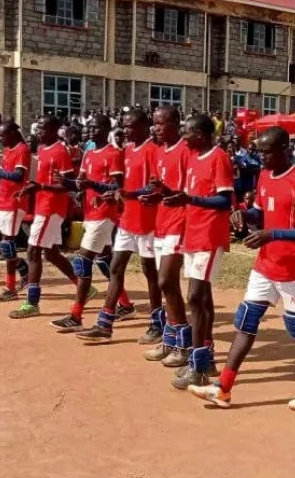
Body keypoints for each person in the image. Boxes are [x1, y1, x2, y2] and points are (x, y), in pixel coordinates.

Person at [186, 126, 295, 407]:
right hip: (265, 264)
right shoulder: (263, 176)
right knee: (245, 321)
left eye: (267, 151)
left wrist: (273, 234)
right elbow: (261, 213)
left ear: (284, 149)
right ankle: (223, 387)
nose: (261, 157)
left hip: (293, 268)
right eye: (259, 151)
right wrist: (243, 214)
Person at [76, 108, 164, 343]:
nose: (125, 130)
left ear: (145, 127)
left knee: (150, 274)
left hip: (148, 221)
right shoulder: (126, 151)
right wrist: (109, 194)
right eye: (123, 126)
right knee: (115, 268)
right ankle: (105, 324)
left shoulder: (153, 151)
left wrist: (129, 194)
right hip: (127, 220)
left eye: (130, 126)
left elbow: (154, 188)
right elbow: (121, 186)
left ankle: (157, 323)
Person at [162, 114, 234, 390]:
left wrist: (190, 199)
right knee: (201, 299)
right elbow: (191, 195)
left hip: (210, 236)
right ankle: (204, 357)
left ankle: (198, 364)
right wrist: (168, 193)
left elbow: (224, 200)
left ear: (201, 135)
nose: (183, 136)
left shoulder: (219, 158)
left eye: (187, 132)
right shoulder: (193, 157)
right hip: (192, 235)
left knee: (195, 296)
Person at [49, 114, 126, 332]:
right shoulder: (89, 154)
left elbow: (118, 188)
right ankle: (126, 305)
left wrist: (98, 190)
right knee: (106, 261)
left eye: (95, 127)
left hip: (105, 213)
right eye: (89, 127)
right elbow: (80, 183)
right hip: (89, 213)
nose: (90, 131)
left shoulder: (113, 154)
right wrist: (66, 182)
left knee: (82, 261)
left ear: (105, 129)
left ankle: (76, 315)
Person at [6, 115, 80, 316]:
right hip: (42, 205)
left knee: (32, 252)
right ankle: (83, 287)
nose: (38, 132)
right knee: (52, 253)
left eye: (42, 129)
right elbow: (41, 181)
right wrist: (31, 189)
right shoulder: (41, 149)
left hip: (52, 207)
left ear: (54, 130)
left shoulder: (60, 151)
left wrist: (42, 187)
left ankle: (32, 303)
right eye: (37, 128)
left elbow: (69, 183)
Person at [143, 106, 194, 368]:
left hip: (179, 222)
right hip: (162, 221)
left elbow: (188, 190)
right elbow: (160, 188)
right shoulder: (158, 151)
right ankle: (171, 339)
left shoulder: (186, 150)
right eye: (154, 124)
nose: (157, 128)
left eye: (162, 124)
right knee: (166, 284)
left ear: (176, 123)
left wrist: (166, 192)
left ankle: (183, 344)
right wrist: (151, 195)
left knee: (166, 280)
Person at [0, 121, 32, 302]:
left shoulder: (22, 150)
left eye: (2, 135)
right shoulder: (7, 150)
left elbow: (18, 176)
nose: (0, 139)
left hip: (15, 201)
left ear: (12, 133)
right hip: (2, 200)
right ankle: (24, 269)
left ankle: (10, 288)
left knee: (7, 245)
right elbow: (3, 173)